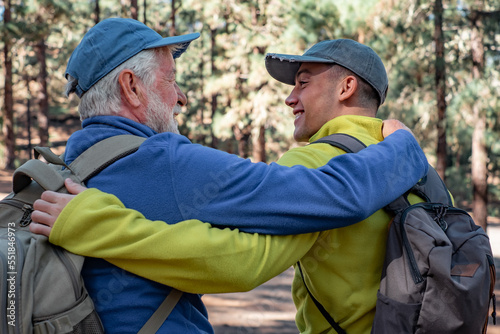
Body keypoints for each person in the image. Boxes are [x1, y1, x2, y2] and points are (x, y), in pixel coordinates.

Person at [31, 19, 429, 334]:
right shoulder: (165, 161)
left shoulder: (72, 164)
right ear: (131, 87)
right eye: (171, 79)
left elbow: (246, 260)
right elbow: (333, 197)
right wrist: (406, 148)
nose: (182, 96)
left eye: (303, 82)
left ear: (347, 87)